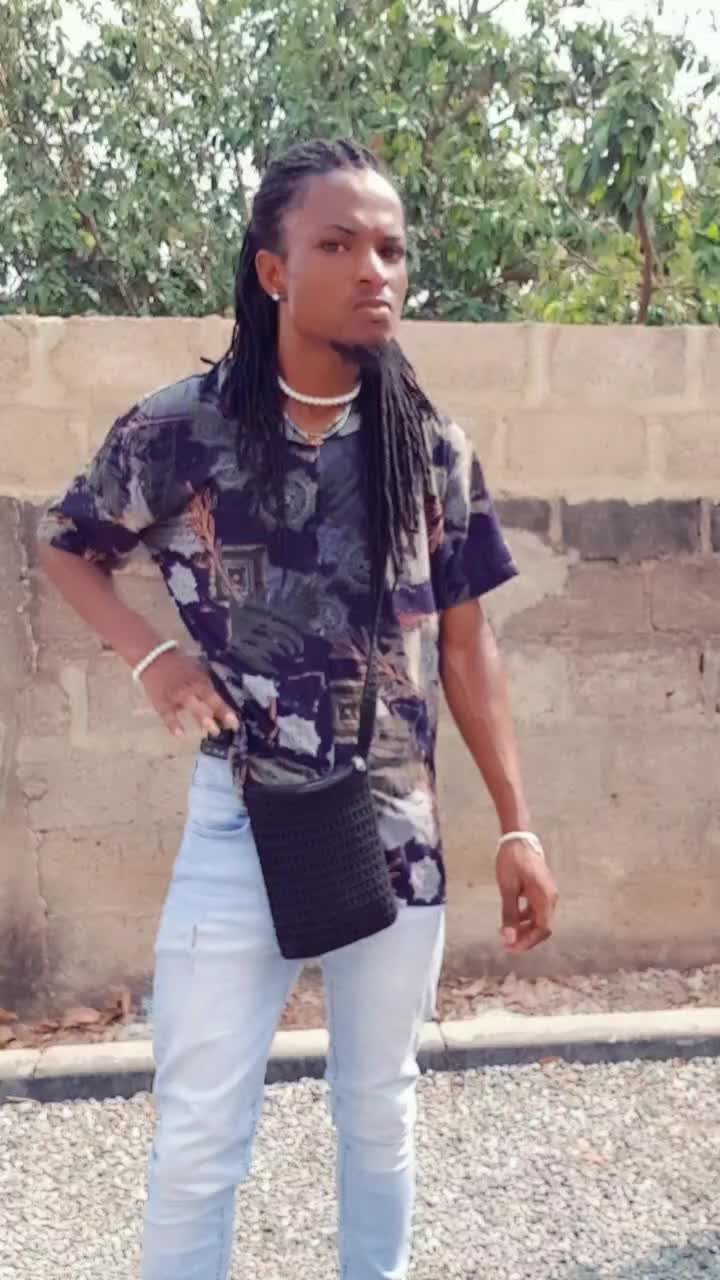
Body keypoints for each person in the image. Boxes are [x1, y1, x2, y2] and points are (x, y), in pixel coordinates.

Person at [39, 138, 559, 1280]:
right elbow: (68, 545)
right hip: (243, 816)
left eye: (392, 249)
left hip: (395, 828)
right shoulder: (182, 430)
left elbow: (466, 646)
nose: (377, 270)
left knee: (379, 1111)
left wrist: (517, 824)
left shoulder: (429, 445)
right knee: (197, 1136)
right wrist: (153, 659)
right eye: (340, 245)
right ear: (273, 271)